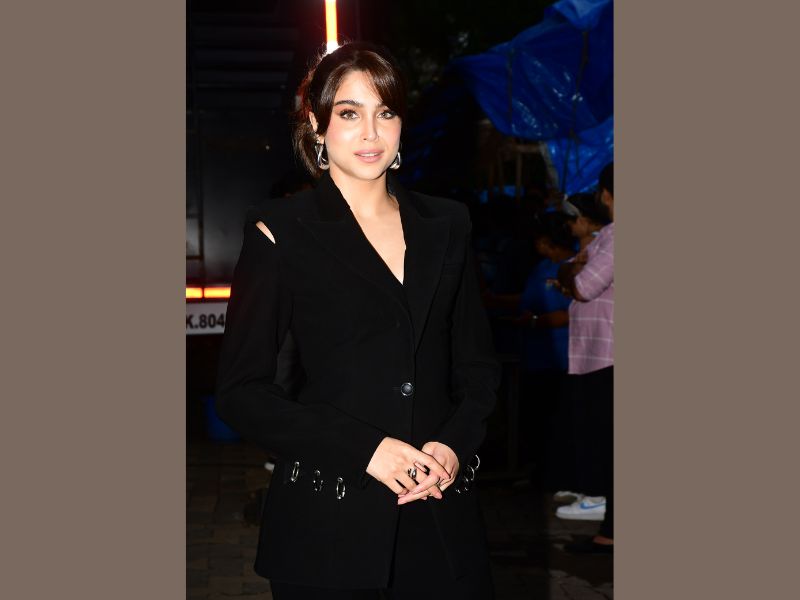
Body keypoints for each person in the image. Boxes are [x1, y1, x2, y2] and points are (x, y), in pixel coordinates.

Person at [215, 42, 501, 599]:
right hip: (329, 523)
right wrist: (367, 449)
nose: (371, 133)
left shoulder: (447, 224)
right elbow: (240, 393)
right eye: (349, 113)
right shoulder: (281, 231)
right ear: (317, 126)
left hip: (439, 514)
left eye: (385, 112)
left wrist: (453, 445)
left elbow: (478, 367)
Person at [555, 163, 615, 554]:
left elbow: (582, 286)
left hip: (608, 355)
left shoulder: (617, 236)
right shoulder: (607, 235)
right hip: (600, 354)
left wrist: (570, 274)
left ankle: (611, 533)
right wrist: (570, 272)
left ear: (606, 195)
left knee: (609, 444)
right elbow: (571, 271)